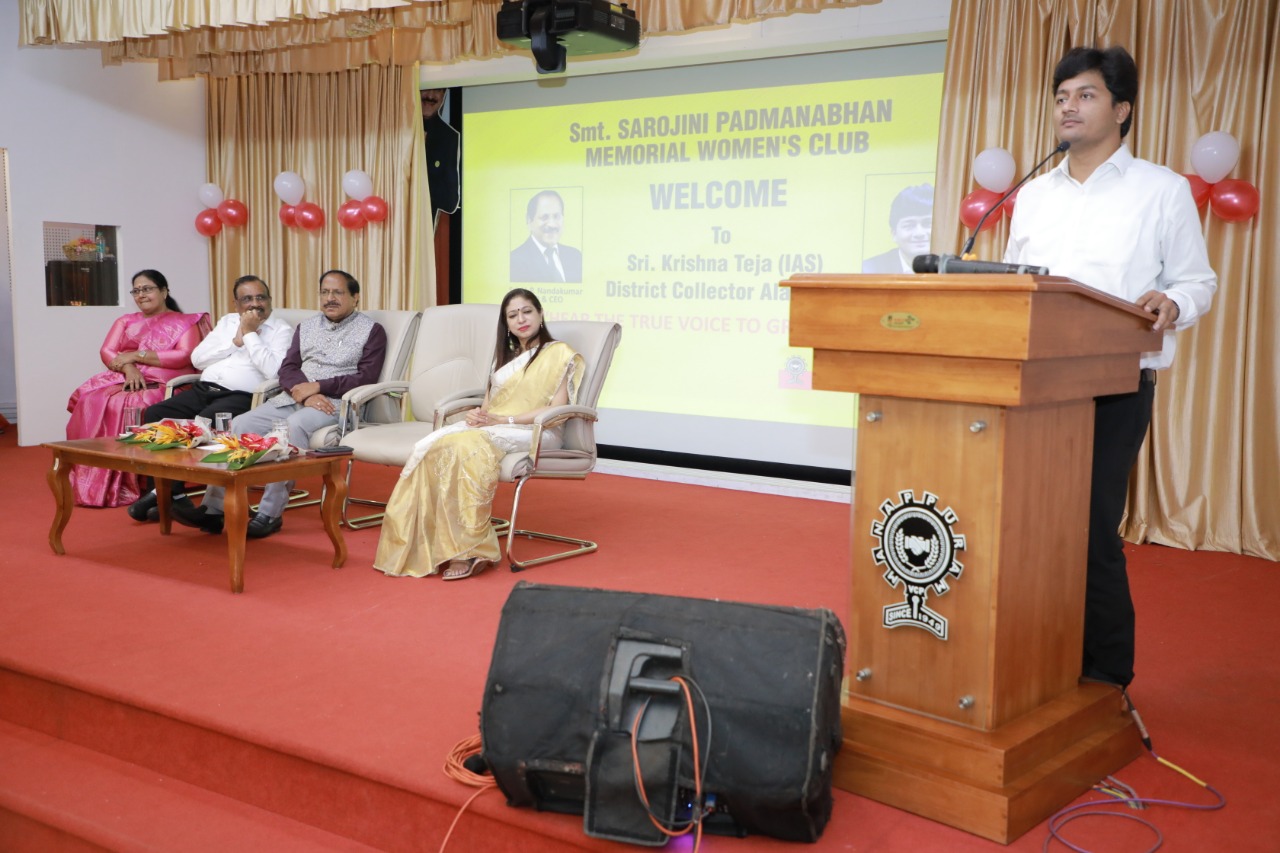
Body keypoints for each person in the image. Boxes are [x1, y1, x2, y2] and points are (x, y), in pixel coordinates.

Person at [1003, 46, 1217, 687]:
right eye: (1062, 95)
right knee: (1029, 529)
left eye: (1086, 94)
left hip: (1115, 385)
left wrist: (1172, 301)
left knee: (1090, 530)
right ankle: (1037, 658)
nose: (1069, 105)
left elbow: (1197, 281)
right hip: (1032, 386)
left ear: (1122, 109)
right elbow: (1016, 285)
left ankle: (1103, 678)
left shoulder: (1162, 189)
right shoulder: (1034, 195)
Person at [374, 288, 584, 580]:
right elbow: (488, 406)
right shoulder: (504, 359)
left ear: (540, 314)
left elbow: (558, 409)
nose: (521, 319)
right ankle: (428, 542)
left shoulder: (559, 353)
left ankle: (471, 548)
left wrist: (503, 418)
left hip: (538, 430)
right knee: (433, 444)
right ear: (506, 323)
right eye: (513, 315)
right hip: (496, 425)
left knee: (468, 444)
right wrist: (479, 415)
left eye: (527, 311)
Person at [172, 270, 387, 539]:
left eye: (338, 292)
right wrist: (305, 393)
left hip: (336, 403)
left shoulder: (372, 331)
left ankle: (269, 514)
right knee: (239, 424)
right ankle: (213, 509)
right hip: (295, 396)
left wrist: (319, 387)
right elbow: (288, 368)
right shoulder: (307, 327)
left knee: (291, 428)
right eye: (324, 292)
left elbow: (365, 376)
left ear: (355, 297)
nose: (330, 298)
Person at [125, 275, 294, 522]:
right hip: (205, 388)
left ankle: (174, 498)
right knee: (155, 415)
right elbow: (198, 359)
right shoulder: (227, 322)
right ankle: (169, 493)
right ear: (236, 305)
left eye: (260, 297)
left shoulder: (282, 330)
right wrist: (235, 342)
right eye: (247, 299)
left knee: (202, 424)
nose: (254, 304)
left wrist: (249, 335)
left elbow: (274, 371)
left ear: (270, 300)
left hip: (243, 396)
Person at [64, 270, 210, 507]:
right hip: (123, 377)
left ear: (164, 291)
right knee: (92, 401)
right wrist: (130, 367)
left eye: (148, 288)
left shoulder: (185, 321)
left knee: (136, 404)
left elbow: (184, 355)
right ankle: (94, 478)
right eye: (136, 290)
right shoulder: (125, 321)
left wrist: (137, 354)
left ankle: (140, 480)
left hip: (167, 381)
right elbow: (107, 351)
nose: (141, 295)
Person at [509, 190, 583, 283]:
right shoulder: (515, 261)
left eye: (556, 216)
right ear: (529, 220)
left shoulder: (575, 257)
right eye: (544, 217)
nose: (552, 224)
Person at [861, 183, 933, 273]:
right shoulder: (869, 270)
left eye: (927, 224)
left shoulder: (952, 267)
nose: (919, 233)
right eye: (909, 225)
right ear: (894, 234)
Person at [421, 87, 460, 220]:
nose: (430, 96)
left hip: (423, 231)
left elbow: (450, 202)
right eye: (425, 89)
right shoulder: (395, 129)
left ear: (443, 95)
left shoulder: (449, 137)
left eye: (437, 90)